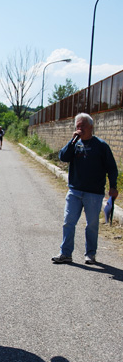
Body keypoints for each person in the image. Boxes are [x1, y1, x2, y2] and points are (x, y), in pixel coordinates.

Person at [51, 112, 118, 265]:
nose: (80, 129)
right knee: (68, 222)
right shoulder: (75, 144)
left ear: (91, 127)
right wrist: (72, 141)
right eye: (77, 126)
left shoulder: (101, 146)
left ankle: (90, 254)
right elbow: (63, 157)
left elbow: (112, 168)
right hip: (74, 191)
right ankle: (65, 253)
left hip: (94, 193)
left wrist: (113, 186)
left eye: (83, 126)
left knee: (92, 225)